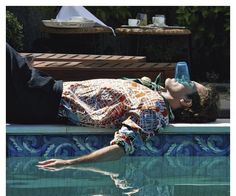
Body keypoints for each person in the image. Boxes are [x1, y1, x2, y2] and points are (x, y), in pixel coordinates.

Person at [6, 43, 219, 168]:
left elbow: (120, 148)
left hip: (42, 100)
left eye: (188, 83)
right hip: (44, 91)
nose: (183, 79)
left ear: (186, 101)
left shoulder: (154, 111)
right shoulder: (155, 95)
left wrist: (70, 163)